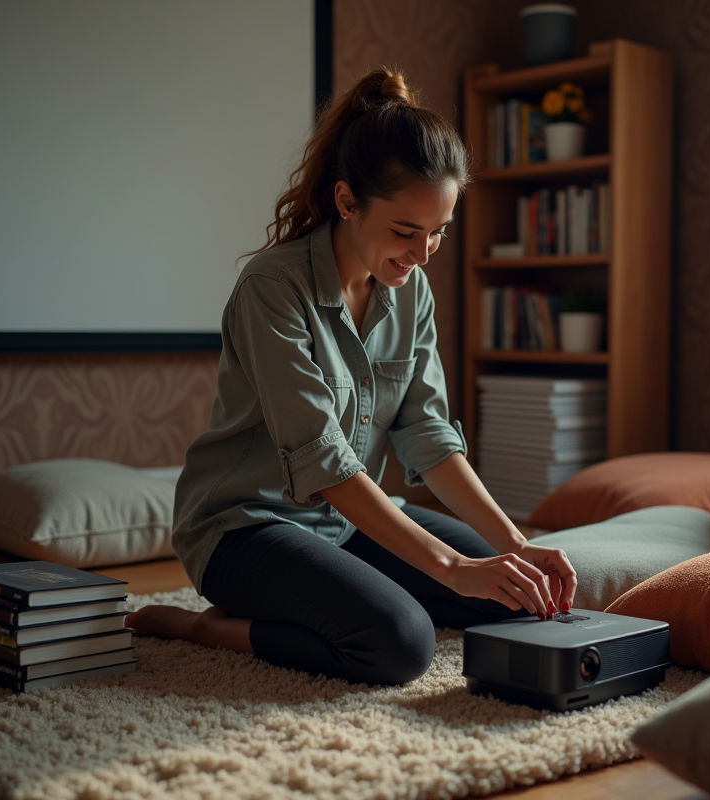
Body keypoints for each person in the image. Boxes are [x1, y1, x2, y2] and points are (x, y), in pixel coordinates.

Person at [126, 68, 577, 686]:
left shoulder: (410, 290)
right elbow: (324, 458)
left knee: (519, 598)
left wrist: (514, 545)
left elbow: (428, 434)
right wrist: (448, 566)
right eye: (405, 232)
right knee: (400, 642)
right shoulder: (273, 289)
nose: (422, 256)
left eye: (439, 233)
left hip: (346, 525)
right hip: (245, 529)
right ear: (346, 201)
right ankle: (205, 626)